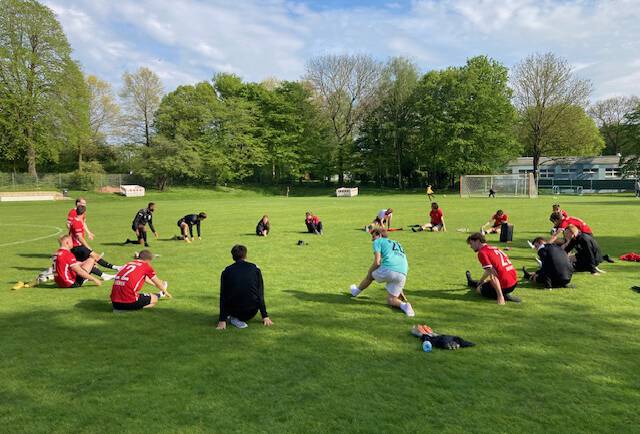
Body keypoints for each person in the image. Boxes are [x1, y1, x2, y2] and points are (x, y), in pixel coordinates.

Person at [349, 227, 415, 317]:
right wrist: (400, 290)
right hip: (403, 273)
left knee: (370, 276)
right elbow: (398, 262)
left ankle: (355, 292)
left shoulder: (378, 241)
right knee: (391, 300)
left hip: (389, 269)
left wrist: (370, 272)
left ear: (379, 235)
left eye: (373, 236)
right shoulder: (397, 243)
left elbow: (377, 262)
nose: (372, 239)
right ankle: (405, 306)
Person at [216, 245, 273, 329]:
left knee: (229, 295)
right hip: (251, 312)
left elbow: (223, 296)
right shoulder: (255, 269)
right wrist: (265, 316)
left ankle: (232, 318)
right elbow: (260, 294)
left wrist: (222, 320)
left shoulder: (226, 271)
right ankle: (233, 318)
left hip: (236, 310)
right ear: (246, 256)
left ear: (233, 257)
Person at [465, 232, 520, 304]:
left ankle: (504, 296)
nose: (471, 246)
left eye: (471, 243)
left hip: (505, 285)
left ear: (477, 241)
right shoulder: (494, 248)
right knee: (484, 282)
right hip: (514, 282)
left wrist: (500, 297)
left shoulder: (482, 252)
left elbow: (493, 276)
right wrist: (481, 280)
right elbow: (490, 270)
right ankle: (472, 282)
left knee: (479, 289)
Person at [69, 205, 119, 279]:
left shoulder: (75, 221)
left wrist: (89, 233)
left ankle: (105, 275)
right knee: (95, 257)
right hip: (78, 247)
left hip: (75, 248)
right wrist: (88, 248)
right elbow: (80, 238)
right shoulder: (77, 223)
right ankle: (114, 268)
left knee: (90, 263)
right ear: (84, 213)